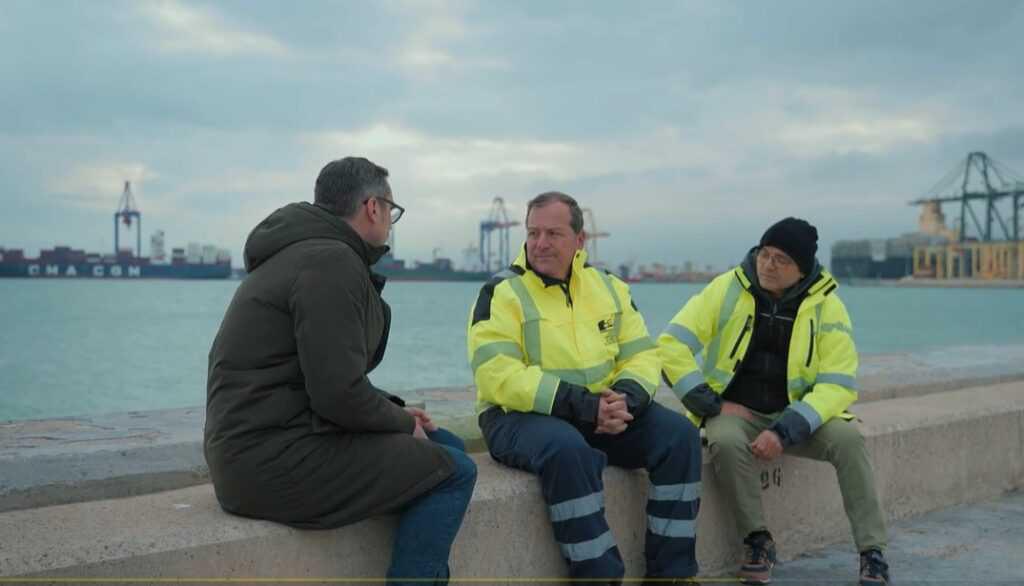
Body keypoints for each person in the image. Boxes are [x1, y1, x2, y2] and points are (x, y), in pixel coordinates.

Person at [204, 157, 477, 586]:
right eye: (392, 211)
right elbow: (337, 395)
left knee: (448, 446)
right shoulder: (331, 263)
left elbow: (315, 376)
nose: (390, 222)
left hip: (257, 447)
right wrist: (402, 424)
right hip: (270, 463)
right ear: (373, 207)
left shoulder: (303, 252)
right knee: (455, 472)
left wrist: (397, 413)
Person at [467, 191, 703, 584]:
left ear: (580, 240)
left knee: (679, 437)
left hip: (601, 411)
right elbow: (498, 374)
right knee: (568, 451)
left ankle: (671, 575)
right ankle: (598, 576)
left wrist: (624, 399)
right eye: (533, 233)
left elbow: (643, 354)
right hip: (517, 418)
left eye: (553, 234)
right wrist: (585, 406)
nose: (540, 243)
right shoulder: (501, 293)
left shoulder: (610, 287)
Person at [658, 217, 889, 586]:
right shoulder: (728, 289)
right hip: (734, 410)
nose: (768, 265)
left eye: (781, 259)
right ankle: (757, 540)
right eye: (765, 254)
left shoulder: (828, 306)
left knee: (849, 440)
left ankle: (872, 552)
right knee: (726, 440)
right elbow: (670, 345)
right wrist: (710, 404)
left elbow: (838, 383)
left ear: (802, 269)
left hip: (796, 414)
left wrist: (786, 430)